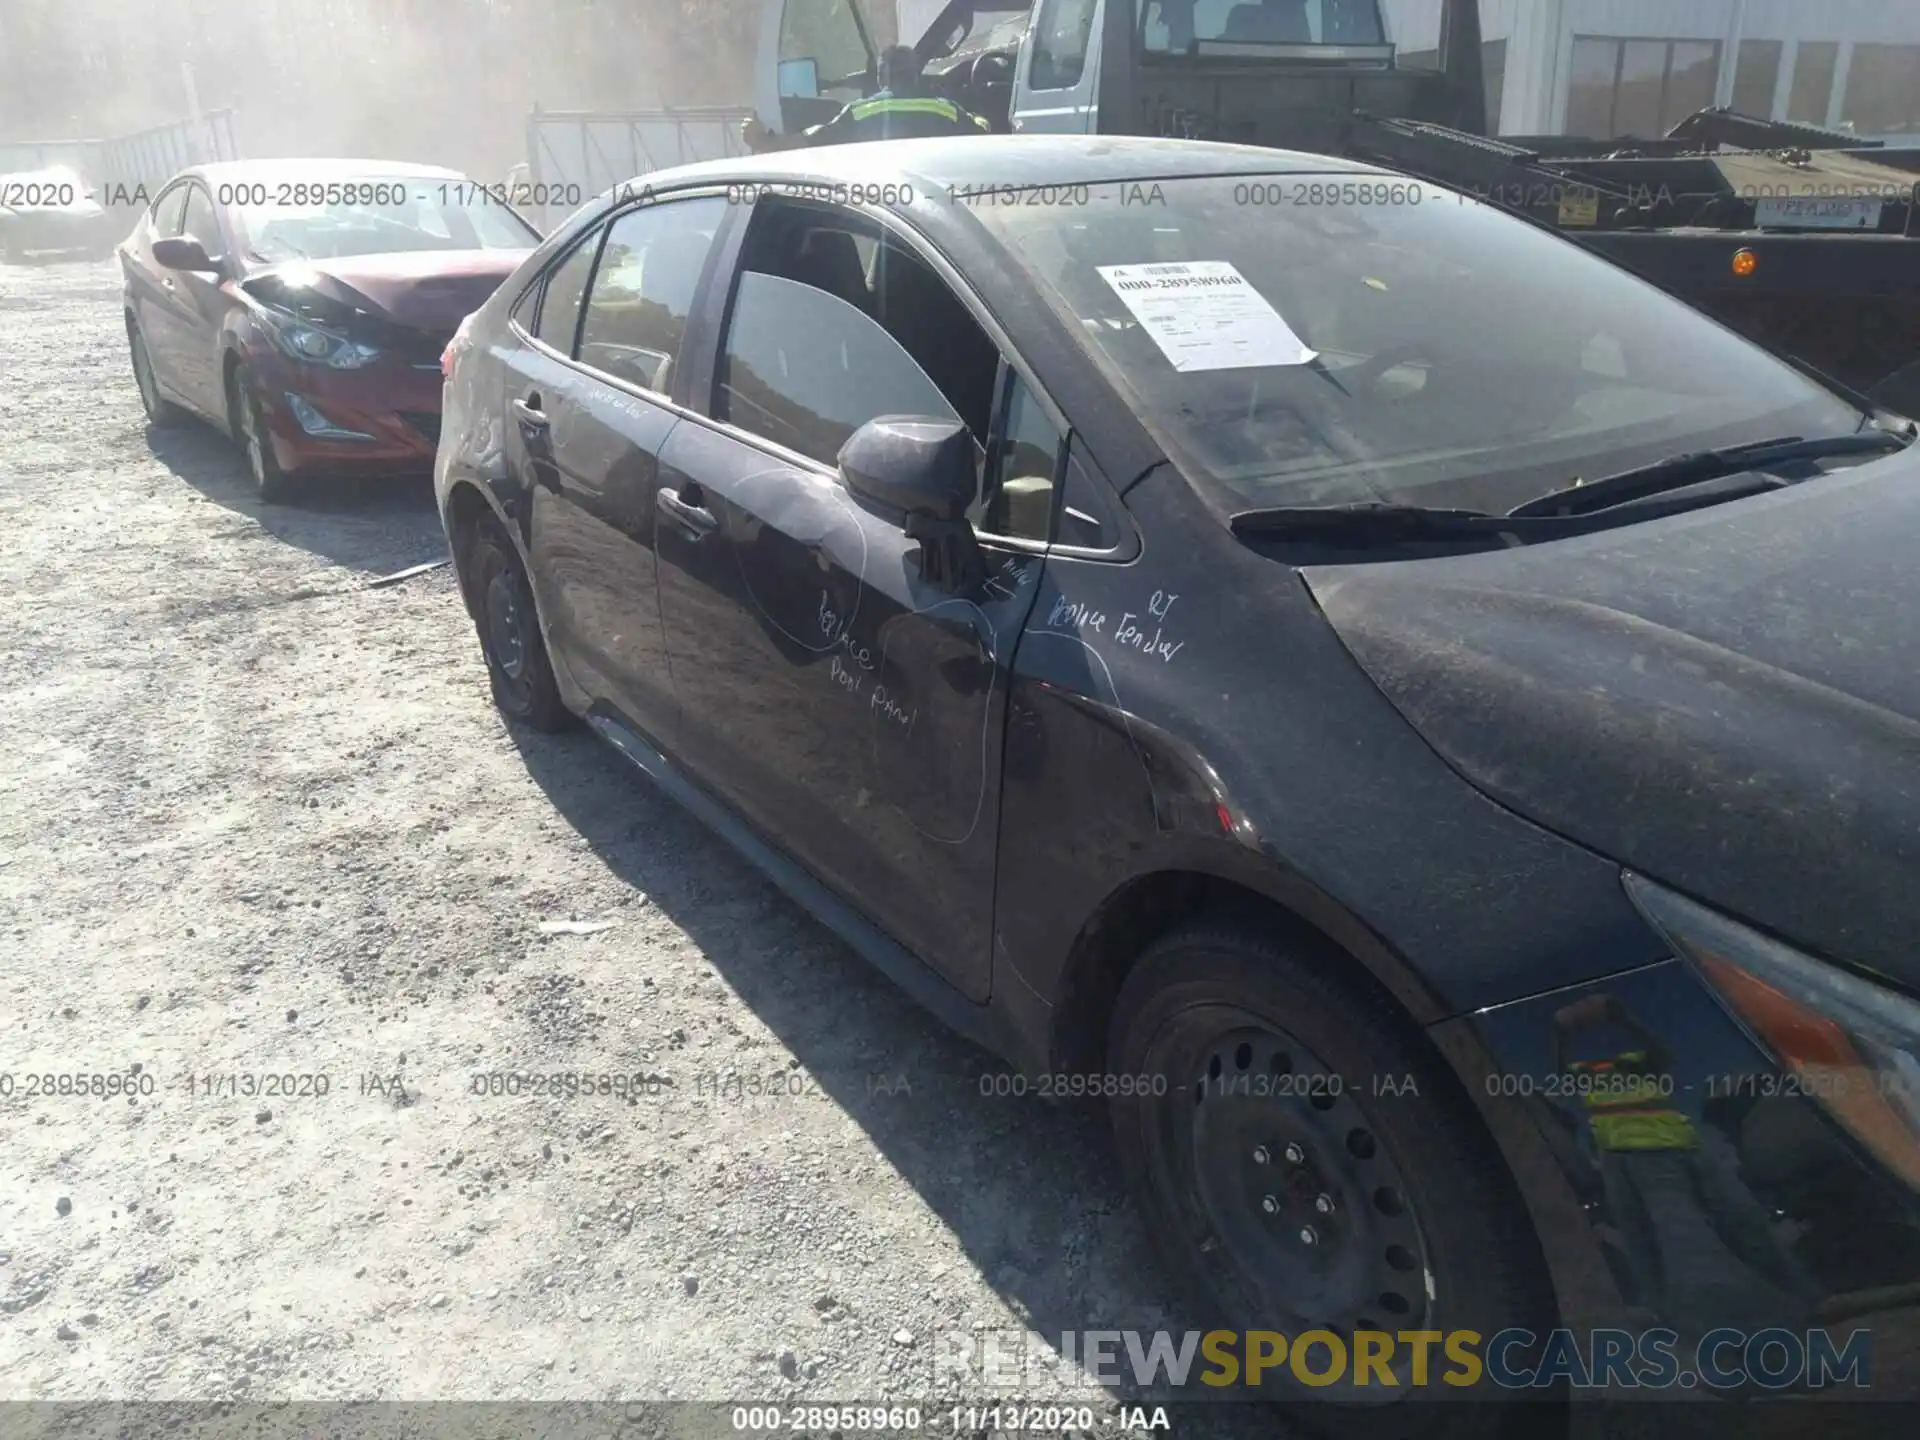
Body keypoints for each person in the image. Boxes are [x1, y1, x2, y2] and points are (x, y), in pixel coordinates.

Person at [741, 45, 991, 153]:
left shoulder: (859, 113)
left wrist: (762, 139)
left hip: (884, 219)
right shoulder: (946, 111)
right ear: (917, 76)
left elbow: (809, 139)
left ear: (882, 77)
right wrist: (980, 117)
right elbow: (983, 134)